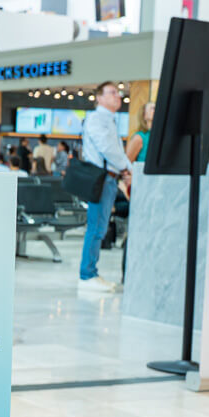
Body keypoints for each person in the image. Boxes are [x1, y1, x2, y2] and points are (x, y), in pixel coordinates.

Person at [79, 80, 132, 293]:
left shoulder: (109, 120)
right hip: (102, 179)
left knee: (100, 227)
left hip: (110, 179)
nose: (117, 96)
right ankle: (87, 274)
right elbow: (108, 148)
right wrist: (127, 168)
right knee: (96, 227)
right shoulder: (96, 119)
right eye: (111, 93)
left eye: (118, 93)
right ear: (99, 98)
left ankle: (91, 272)